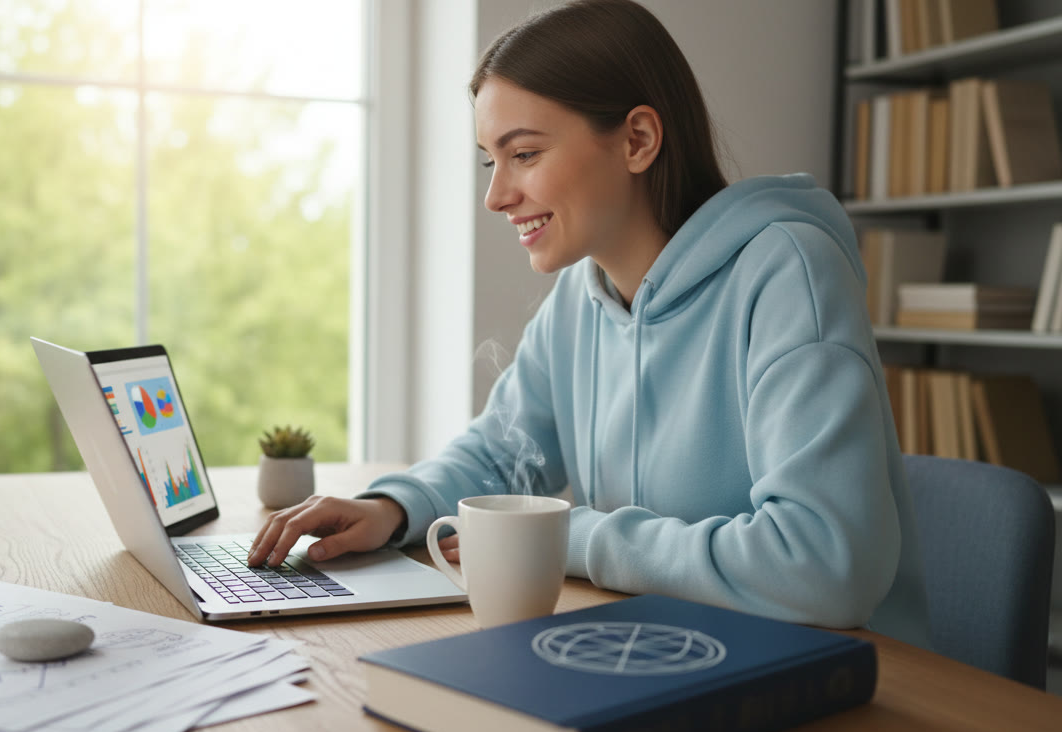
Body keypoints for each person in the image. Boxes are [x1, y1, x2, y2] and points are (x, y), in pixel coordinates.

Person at [248, 0, 929, 645]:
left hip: (853, 684)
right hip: (668, 648)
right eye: (491, 160)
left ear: (636, 139)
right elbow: (505, 455)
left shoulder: (787, 275)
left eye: (524, 154)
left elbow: (824, 565)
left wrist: (572, 537)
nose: (495, 195)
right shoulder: (583, 293)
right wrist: (392, 509)